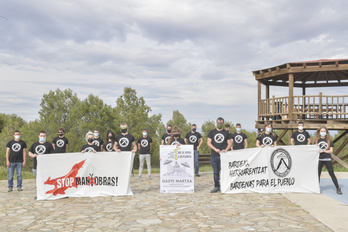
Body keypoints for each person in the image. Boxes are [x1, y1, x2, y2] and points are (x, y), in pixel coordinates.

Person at [207, 117, 232, 193]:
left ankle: (224, 186)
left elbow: (230, 143)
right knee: (215, 172)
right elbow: (208, 143)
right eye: (218, 122)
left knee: (224, 171)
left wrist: (226, 150)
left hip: (223, 156)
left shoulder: (226, 133)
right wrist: (215, 149)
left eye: (221, 122)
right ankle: (216, 186)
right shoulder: (212, 132)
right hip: (214, 155)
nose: (219, 123)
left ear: (223, 123)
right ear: (216, 123)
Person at [315, 126, 342, 195]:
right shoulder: (317, 140)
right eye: (322, 131)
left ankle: (338, 188)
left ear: (326, 132)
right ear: (319, 132)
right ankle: (316, 188)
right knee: (317, 174)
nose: (323, 132)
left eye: (324, 131)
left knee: (331, 173)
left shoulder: (329, 141)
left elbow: (331, 151)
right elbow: (314, 150)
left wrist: (323, 150)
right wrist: (316, 147)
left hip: (327, 159)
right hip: (319, 159)